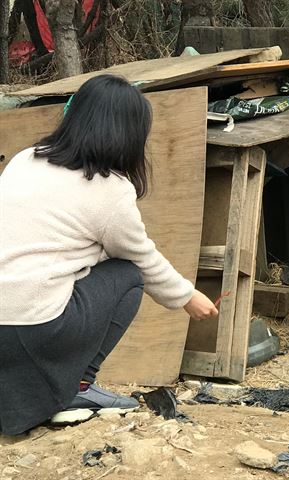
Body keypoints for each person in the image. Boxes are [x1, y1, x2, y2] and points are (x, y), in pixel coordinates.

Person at [0, 74, 218, 436]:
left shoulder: (25, 160)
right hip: (32, 326)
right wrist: (187, 296)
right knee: (126, 275)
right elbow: (142, 259)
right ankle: (79, 389)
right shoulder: (109, 190)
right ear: (130, 135)